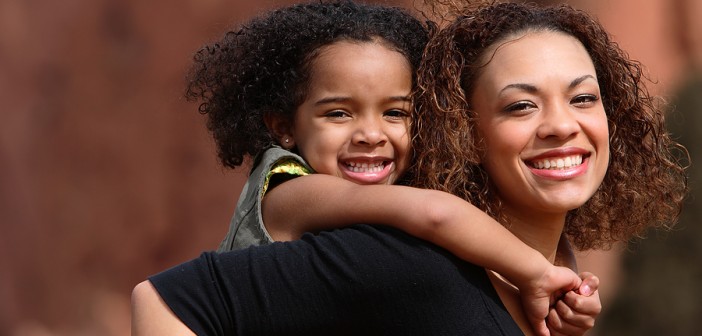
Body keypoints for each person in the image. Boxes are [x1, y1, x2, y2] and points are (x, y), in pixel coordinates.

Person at [131, 1, 689, 335]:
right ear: (462, 131)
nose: (560, 125)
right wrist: (538, 274)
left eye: (583, 99)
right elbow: (162, 297)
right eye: (521, 104)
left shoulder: (525, 271)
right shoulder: (381, 247)